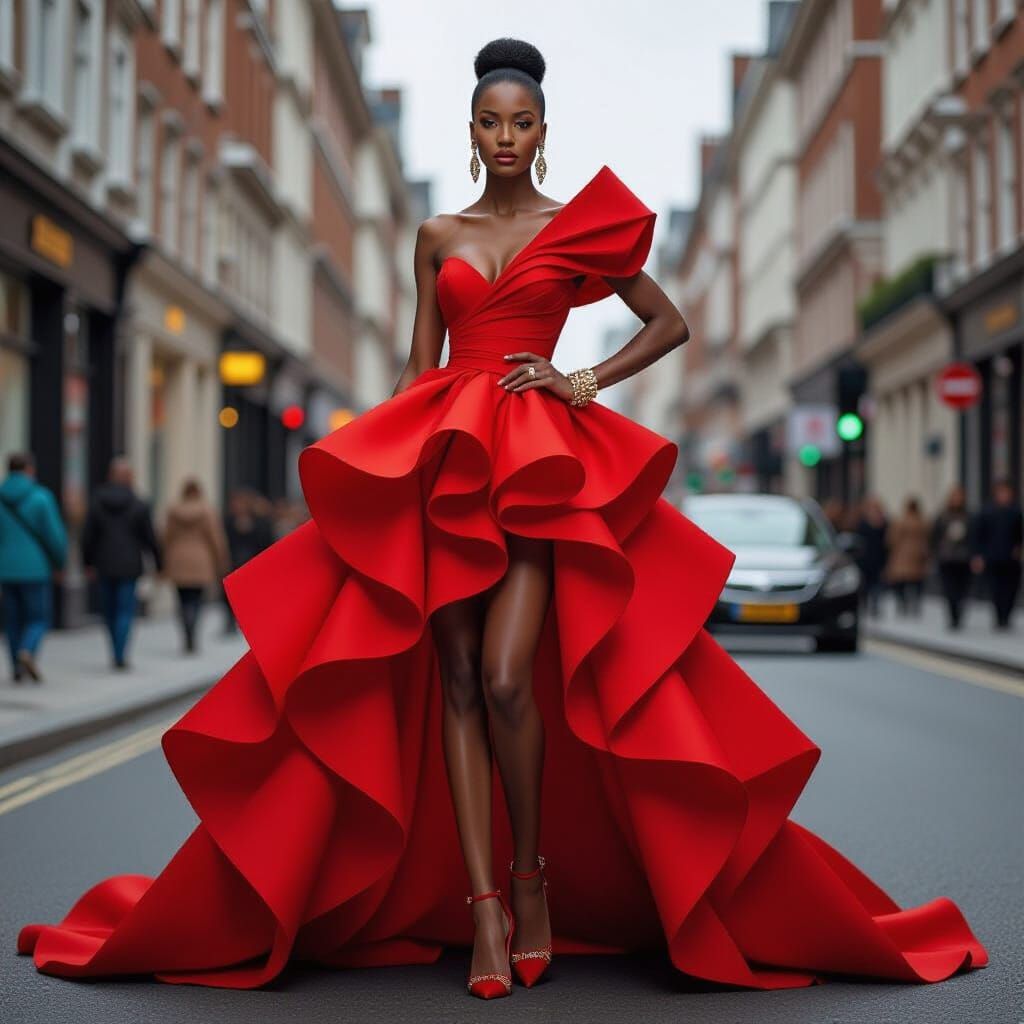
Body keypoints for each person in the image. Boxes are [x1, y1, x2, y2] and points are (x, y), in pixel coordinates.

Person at [17, 37, 987, 999]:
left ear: (543, 131)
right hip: (442, 456)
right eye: (491, 122)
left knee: (509, 674)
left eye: (522, 122)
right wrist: (371, 471)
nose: (507, 136)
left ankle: (533, 882)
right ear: (472, 132)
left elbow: (669, 321)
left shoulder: (580, 227)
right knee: (455, 682)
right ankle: (483, 905)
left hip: (531, 459)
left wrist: (583, 378)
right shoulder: (436, 235)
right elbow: (416, 363)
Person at [81, 455, 163, 670]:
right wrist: (158, 562)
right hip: (129, 564)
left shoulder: (97, 501)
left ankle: (114, 649)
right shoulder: (139, 504)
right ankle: (120, 654)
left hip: (104, 563)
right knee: (125, 611)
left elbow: (88, 534)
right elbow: (149, 537)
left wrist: (87, 561)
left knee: (109, 610)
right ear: (130, 478)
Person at [0, 452, 67, 683]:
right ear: (29, 469)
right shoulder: (41, 498)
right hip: (36, 568)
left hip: (6, 570)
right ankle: (27, 650)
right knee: (38, 618)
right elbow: (54, 536)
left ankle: (16, 668)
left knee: (12, 620)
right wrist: (60, 562)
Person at [161, 477, 231, 653]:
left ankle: (186, 632)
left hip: (178, 559)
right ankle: (192, 631)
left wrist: (164, 560)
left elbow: (165, 537)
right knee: (197, 599)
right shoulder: (207, 511)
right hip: (201, 560)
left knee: (182, 599)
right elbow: (215, 538)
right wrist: (221, 559)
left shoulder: (173, 510)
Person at [970, 477, 1023, 630]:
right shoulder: (987, 512)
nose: (1004, 496)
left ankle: (1006, 616)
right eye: (1001, 492)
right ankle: (999, 617)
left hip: (1011, 559)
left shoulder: (1016, 511)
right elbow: (978, 535)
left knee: (1011, 589)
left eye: (1006, 492)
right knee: (995, 589)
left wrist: (1019, 548)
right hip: (992, 557)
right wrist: (978, 556)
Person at [221, 489, 275, 635]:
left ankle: (247, 622)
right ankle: (230, 621)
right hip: (233, 562)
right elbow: (223, 541)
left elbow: (266, 541)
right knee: (229, 594)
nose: (239, 506)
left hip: (251, 563)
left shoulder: (258, 521)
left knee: (250, 596)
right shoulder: (228, 520)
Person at [931, 484, 974, 629]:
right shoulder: (942, 516)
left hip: (964, 559)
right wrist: (936, 553)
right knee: (949, 590)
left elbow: (974, 537)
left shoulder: (969, 516)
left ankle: (959, 614)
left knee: (963, 590)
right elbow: (934, 537)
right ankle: (953, 616)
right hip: (947, 559)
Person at [885, 496, 929, 617]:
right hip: (918, 555)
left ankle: (902, 603)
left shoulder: (900, 521)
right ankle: (915, 603)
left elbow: (891, 539)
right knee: (916, 582)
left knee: (901, 581)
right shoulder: (922, 521)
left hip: (901, 555)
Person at [854, 495, 888, 617]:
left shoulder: (884, 522)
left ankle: (875, 606)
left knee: (877, 584)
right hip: (865, 559)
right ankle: (866, 605)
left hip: (878, 558)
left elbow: (887, 541)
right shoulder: (862, 522)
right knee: (866, 585)